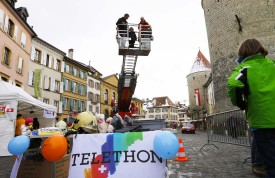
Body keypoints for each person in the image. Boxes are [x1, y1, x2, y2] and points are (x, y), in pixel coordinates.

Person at [227, 38, 275, 177]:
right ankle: (258, 165)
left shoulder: (245, 68)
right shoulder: (272, 64)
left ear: (242, 53)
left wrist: (240, 103)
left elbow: (234, 84)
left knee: (271, 163)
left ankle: (260, 166)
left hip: (262, 121)